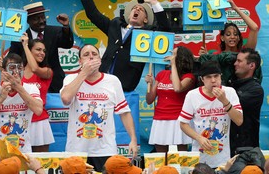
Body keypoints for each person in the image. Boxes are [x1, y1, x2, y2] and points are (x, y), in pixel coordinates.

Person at [81, 0, 170, 92]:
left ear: (145, 19)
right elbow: (92, 14)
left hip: (125, 84)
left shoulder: (149, 33)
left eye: (141, 9)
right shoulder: (115, 25)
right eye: (135, 8)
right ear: (128, 15)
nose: (137, 9)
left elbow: (166, 30)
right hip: (102, 79)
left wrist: (154, 3)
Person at [60, 44, 138, 172]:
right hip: (77, 150)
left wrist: (133, 140)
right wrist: (84, 73)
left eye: (94, 54)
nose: (91, 57)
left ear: (100, 60)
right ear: (80, 61)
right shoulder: (71, 79)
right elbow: (66, 98)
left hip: (105, 150)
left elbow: (124, 113)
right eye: (86, 55)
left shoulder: (112, 81)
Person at [0, 53, 43, 168]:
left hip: (23, 153)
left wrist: (18, 88)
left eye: (19, 68)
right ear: (4, 71)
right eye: (12, 68)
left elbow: (38, 110)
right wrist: (1, 99)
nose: (16, 72)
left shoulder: (31, 88)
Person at [178, 60, 243, 168]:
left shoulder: (230, 92)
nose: (213, 80)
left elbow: (239, 121)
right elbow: (183, 124)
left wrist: (224, 101)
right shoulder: (192, 95)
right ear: (202, 79)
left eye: (216, 76)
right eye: (208, 77)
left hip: (223, 158)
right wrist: (199, 138)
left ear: (221, 77)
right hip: (199, 157)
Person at [9, 1, 74, 93]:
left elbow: (67, 44)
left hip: (54, 82)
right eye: (36, 19)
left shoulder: (55, 31)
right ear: (28, 21)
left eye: (43, 17)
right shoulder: (20, 38)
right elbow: (13, 59)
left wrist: (66, 26)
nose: (41, 21)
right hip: (29, 83)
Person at [145, 46, 195, 152]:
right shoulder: (162, 74)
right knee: (161, 156)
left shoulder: (189, 77)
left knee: (181, 156)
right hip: (160, 118)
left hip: (178, 119)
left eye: (174, 54)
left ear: (181, 58)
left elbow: (177, 88)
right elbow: (149, 100)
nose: (170, 56)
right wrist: (150, 84)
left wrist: (173, 66)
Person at [21, 33, 55, 152]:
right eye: (38, 49)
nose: (42, 53)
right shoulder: (18, 72)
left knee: (41, 161)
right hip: (20, 120)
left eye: (44, 50)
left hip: (39, 121)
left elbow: (35, 69)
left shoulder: (47, 71)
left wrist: (25, 45)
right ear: (30, 51)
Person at [229, 48, 264, 157]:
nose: (235, 64)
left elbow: (233, 103)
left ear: (251, 66)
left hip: (245, 150)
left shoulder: (256, 90)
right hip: (227, 146)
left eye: (239, 61)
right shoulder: (231, 84)